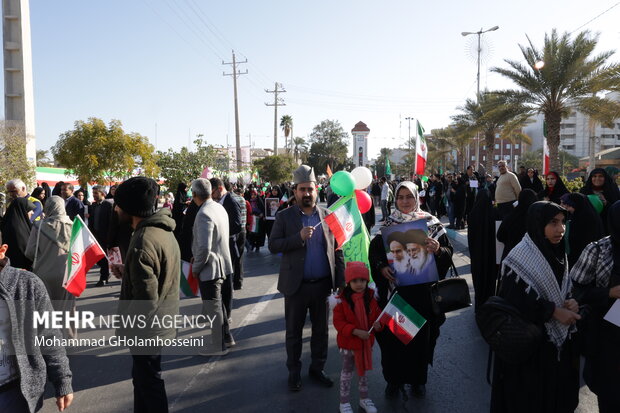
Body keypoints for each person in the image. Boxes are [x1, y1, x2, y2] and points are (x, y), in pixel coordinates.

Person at [491, 201, 580, 413]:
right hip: (529, 353)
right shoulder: (519, 257)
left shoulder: (559, 254)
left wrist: (571, 301)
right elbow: (515, 303)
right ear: (537, 223)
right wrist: (553, 311)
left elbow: (564, 289)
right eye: (553, 223)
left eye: (562, 222)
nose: (560, 229)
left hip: (555, 353)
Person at [368, 181, 453, 399]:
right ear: (394, 199)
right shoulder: (387, 225)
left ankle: (418, 380)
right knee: (394, 341)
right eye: (400, 197)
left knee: (420, 342)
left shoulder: (431, 224)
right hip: (397, 294)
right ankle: (394, 381)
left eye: (409, 197)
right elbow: (375, 253)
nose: (405, 201)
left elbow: (447, 253)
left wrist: (438, 250)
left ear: (417, 198)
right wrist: (381, 267)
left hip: (424, 295)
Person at [269, 165, 345, 392]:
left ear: (316, 189)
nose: (307, 193)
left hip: (322, 286)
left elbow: (337, 249)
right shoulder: (284, 217)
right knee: (294, 332)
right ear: (295, 191)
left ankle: (317, 368)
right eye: (302, 189)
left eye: (310, 189)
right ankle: (294, 372)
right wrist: (297, 237)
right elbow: (273, 245)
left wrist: (340, 282)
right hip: (296, 287)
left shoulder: (328, 216)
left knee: (321, 331)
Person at [112, 177, 180, 413]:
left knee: (149, 384)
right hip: (158, 324)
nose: (115, 209)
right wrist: (127, 272)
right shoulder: (160, 230)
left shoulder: (143, 239)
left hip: (146, 329)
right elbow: (156, 276)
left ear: (129, 207)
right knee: (143, 381)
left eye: (118, 204)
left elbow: (145, 301)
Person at [0, 244, 74, 413]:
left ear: (2, 251)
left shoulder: (26, 284)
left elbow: (49, 334)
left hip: (15, 392)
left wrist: (62, 380)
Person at [570, 200, 620, 412]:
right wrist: (608, 293)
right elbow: (575, 291)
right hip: (606, 335)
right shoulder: (598, 249)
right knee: (610, 394)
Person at [191, 178, 234, 355]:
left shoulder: (204, 213)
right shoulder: (218, 206)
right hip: (223, 263)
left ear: (195, 195)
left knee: (213, 307)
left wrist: (195, 269)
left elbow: (204, 248)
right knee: (219, 305)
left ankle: (218, 345)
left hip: (211, 268)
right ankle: (226, 338)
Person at [24, 196, 77, 339]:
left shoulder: (39, 225)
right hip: (67, 273)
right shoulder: (74, 225)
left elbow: (30, 251)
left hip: (43, 273)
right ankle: (69, 337)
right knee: (67, 308)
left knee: (45, 309)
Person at [333, 262, 382, 413]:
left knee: (363, 373)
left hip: (365, 344)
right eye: (355, 281)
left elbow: (377, 315)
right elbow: (339, 323)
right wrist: (355, 331)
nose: (359, 284)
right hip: (348, 345)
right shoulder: (341, 301)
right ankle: (344, 402)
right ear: (349, 282)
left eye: (362, 280)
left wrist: (379, 325)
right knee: (347, 373)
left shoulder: (371, 298)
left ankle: (364, 399)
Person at [209, 177, 241, 333]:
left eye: (212, 191)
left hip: (228, 246)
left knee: (227, 284)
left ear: (219, 188)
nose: (211, 195)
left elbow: (237, 225)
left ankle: (227, 313)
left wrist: (220, 232)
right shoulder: (217, 202)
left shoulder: (230, 201)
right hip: (218, 248)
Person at [467, 188, 497, 309]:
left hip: (477, 256)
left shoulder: (473, 214)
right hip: (491, 255)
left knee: (478, 280)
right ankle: (490, 305)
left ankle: (479, 305)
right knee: (490, 280)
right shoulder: (494, 213)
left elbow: (470, 237)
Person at [560, 192, 604, 268]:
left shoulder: (585, 218)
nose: (567, 208)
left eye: (570, 205)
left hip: (585, 260)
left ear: (577, 205)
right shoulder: (581, 215)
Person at [497, 189, 538, 261]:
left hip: (510, 257)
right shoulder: (535, 219)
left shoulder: (510, 217)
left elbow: (500, 236)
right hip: (531, 260)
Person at [580, 168, 620, 234]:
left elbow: (617, 210)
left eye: (600, 176)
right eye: (594, 176)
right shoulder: (585, 190)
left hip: (608, 228)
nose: (597, 178)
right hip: (589, 227)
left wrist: (606, 203)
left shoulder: (612, 190)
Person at [0, 197, 35, 270]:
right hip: (19, 269)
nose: (32, 213)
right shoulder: (18, 228)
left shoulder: (7, 223)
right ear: (23, 210)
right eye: (30, 210)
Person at [90, 186, 114, 286]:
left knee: (103, 257)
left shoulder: (108, 205)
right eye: (93, 193)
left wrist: (110, 237)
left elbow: (111, 222)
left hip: (105, 236)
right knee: (97, 258)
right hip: (95, 236)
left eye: (96, 193)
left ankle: (103, 277)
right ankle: (106, 273)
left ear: (103, 194)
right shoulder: (93, 205)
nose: (94, 195)